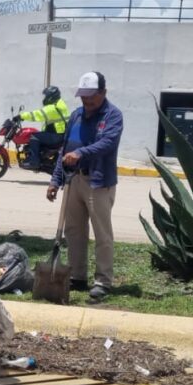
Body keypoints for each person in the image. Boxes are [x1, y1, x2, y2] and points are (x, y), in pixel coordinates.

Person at [46, 71, 124, 302]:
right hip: (74, 181)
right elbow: (65, 149)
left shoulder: (113, 116)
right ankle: (77, 275)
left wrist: (80, 153)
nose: (87, 101)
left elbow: (107, 144)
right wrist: (55, 179)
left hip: (98, 182)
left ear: (103, 93)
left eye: (92, 96)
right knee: (74, 231)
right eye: (84, 96)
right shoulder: (76, 116)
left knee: (102, 234)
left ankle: (102, 281)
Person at [18, 86, 68, 170]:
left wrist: (21, 116)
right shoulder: (60, 104)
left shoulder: (52, 108)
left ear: (51, 96)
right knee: (39, 135)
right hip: (60, 134)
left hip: (56, 136)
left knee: (34, 136)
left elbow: (37, 114)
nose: (45, 98)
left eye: (46, 96)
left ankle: (34, 162)